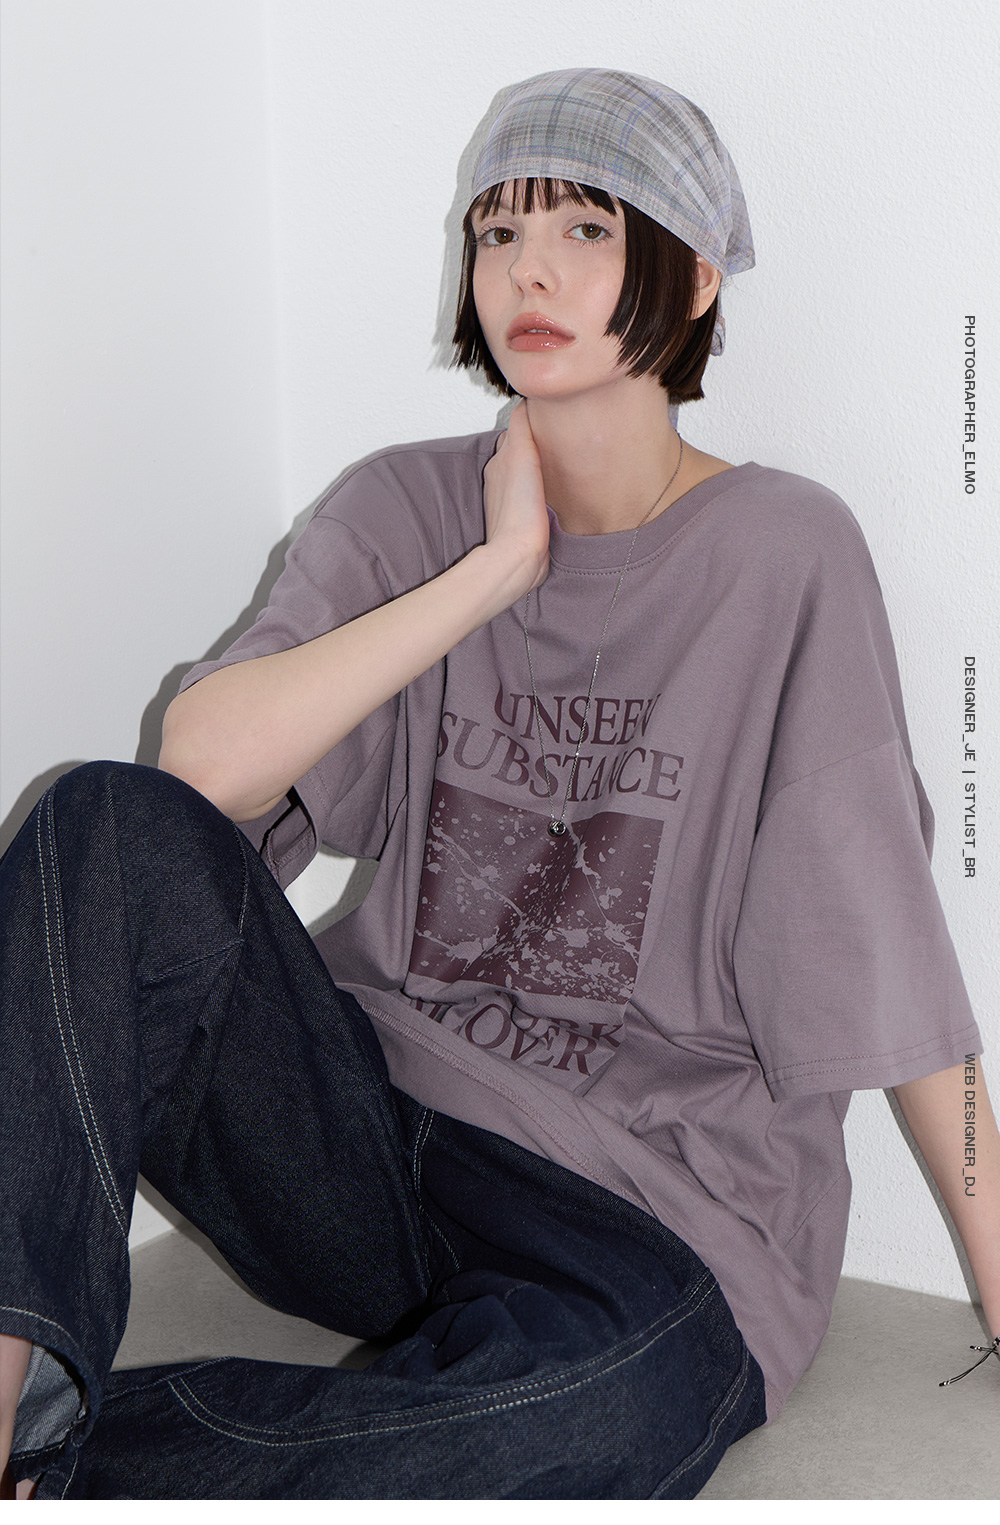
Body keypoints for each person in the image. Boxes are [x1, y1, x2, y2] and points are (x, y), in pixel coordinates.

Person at [1, 68, 997, 1501]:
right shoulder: (404, 507)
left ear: (696, 277)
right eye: (497, 232)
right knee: (95, 826)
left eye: (588, 229)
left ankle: (72, 1469)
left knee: (588, 1412)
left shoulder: (787, 552)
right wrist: (491, 574)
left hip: (646, 1204)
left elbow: (885, 947)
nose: (529, 270)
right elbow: (194, 774)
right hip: (371, 1137)